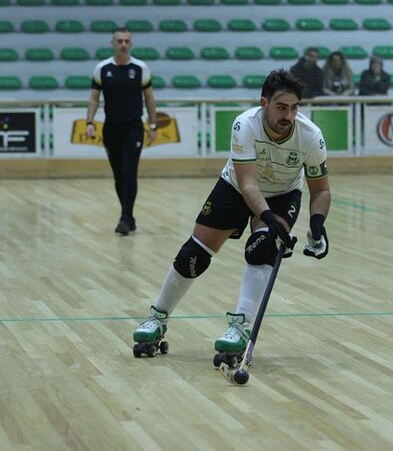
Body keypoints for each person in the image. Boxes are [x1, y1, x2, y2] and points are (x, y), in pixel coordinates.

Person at [131, 69, 332, 360]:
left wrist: (317, 224)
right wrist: (270, 218)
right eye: (281, 107)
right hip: (236, 187)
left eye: (294, 108)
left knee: (261, 247)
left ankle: (240, 326)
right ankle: (158, 317)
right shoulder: (245, 125)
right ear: (264, 104)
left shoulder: (311, 136)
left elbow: (321, 191)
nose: (288, 115)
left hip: (283, 194)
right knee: (193, 255)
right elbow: (248, 184)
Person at [86, 27, 157, 235]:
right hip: (111, 130)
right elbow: (93, 98)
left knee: (129, 171)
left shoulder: (141, 68)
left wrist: (153, 125)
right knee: (118, 175)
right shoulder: (102, 69)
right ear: (113, 43)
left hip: (134, 129)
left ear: (131, 44)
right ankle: (129, 216)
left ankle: (125, 217)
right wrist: (89, 122)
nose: (123, 44)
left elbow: (150, 99)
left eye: (127, 41)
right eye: (119, 41)